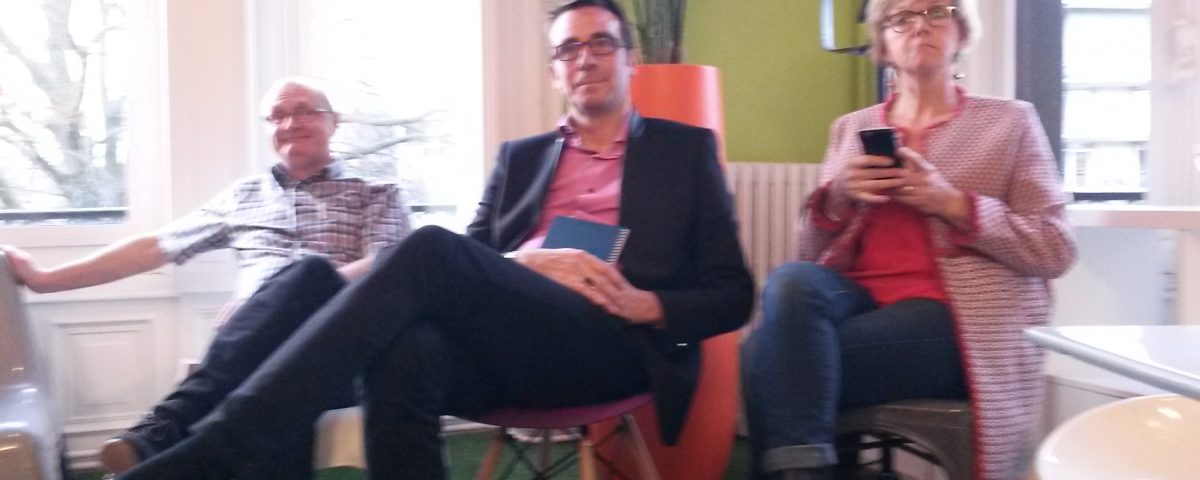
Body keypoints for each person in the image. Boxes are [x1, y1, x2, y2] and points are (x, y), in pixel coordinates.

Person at [113, 1, 753, 479]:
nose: (584, 58)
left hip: (611, 341)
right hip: (511, 338)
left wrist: (647, 304)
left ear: (630, 59)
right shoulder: (523, 157)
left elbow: (733, 293)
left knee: (429, 248)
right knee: (351, 307)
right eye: (567, 49)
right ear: (554, 71)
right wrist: (524, 262)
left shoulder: (683, 152)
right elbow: (474, 260)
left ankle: (219, 446)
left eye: (601, 43)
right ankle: (189, 432)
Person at [1, 77, 411, 477]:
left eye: (305, 111)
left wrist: (279, 295)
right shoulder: (243, 197)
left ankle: (164, 427)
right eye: (277, 115)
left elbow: (385, 265)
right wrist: (45, 279)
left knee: (308, 274)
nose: (290, 123)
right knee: (272, 378)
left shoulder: (375, 192)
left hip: (339, 345)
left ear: (333, 122)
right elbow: (155, 247)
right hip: (254, 345)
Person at [739, 1, 1076, 479]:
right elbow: (811, 255)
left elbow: (1055, 247)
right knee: (791, 281)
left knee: (762, 358)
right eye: (901, 17)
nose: (920, 25)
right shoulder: (851, 129)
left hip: (959, 322)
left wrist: (954, 203)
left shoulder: (1011, 122)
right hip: (860, 303)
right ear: (883, 43)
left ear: (961, 31)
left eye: (937, 11)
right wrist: (837, 198)